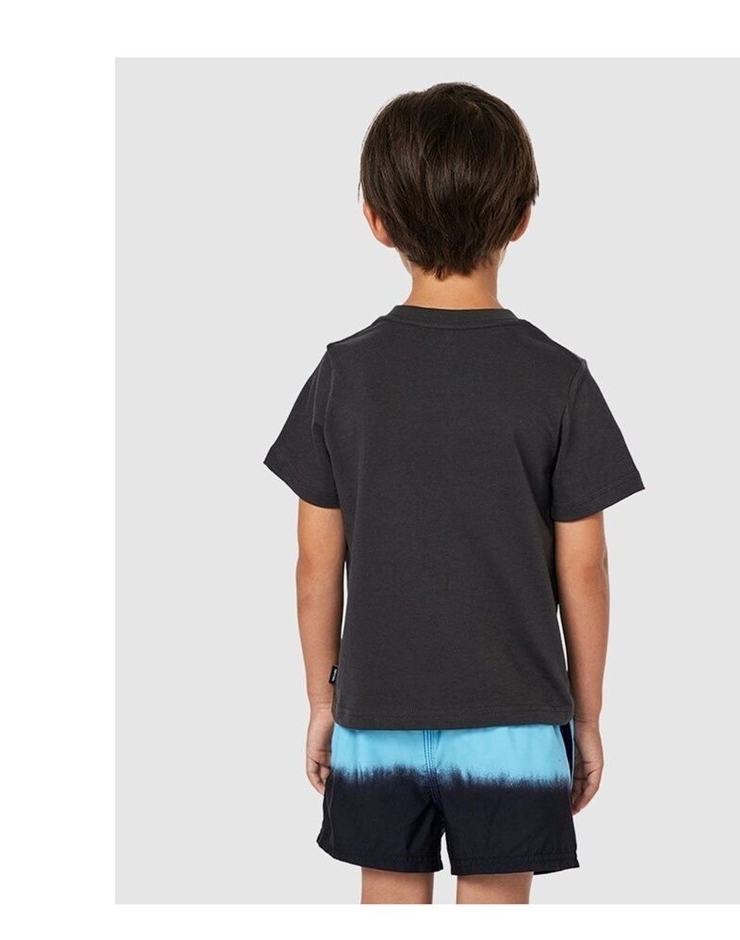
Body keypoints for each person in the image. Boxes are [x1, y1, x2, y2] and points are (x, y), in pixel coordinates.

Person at [262, 81, 645, 904]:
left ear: (377, 221)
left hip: (376, 717)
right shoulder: (560, 380)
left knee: (388, 903)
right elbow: (584, 570)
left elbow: (314, 565)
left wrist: (322, 700)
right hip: (515, 722)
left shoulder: (343, 376)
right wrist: (586, 717)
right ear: (522, 218)